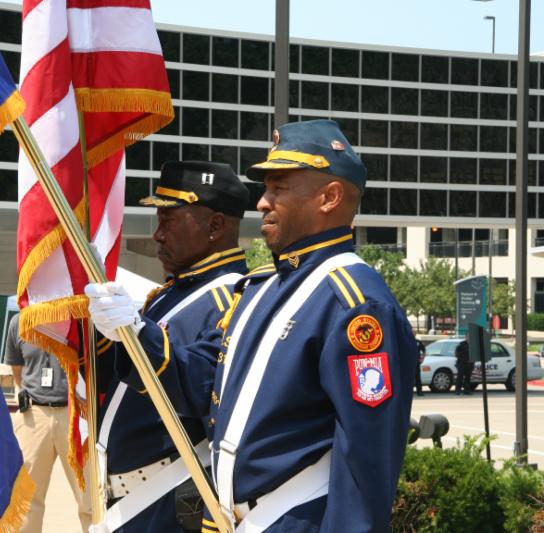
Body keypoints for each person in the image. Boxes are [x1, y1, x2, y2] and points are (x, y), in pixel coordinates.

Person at [86, 120, 417, 532]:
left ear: (329, 197)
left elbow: (367, 459)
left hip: (295, 519)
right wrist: (133, 334)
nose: (262, 202)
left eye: (278, 188)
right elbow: (198, 385)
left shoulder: (355, 303)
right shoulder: (259, 288)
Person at [88, 160, 250, 532]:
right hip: (129, 500)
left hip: (175, 500)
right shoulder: (167, 295)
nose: (157, 235)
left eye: (169, 220)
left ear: (215, 226)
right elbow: (116, 383)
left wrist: (136, 329)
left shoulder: (233, 300)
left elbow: (199, 387)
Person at [4, 313, 91, 532]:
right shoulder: (19, 322)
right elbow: (17, 368)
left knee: (88, 496)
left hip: (74, 414)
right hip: (34, 415)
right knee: (26, 496)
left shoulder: (78, 320)